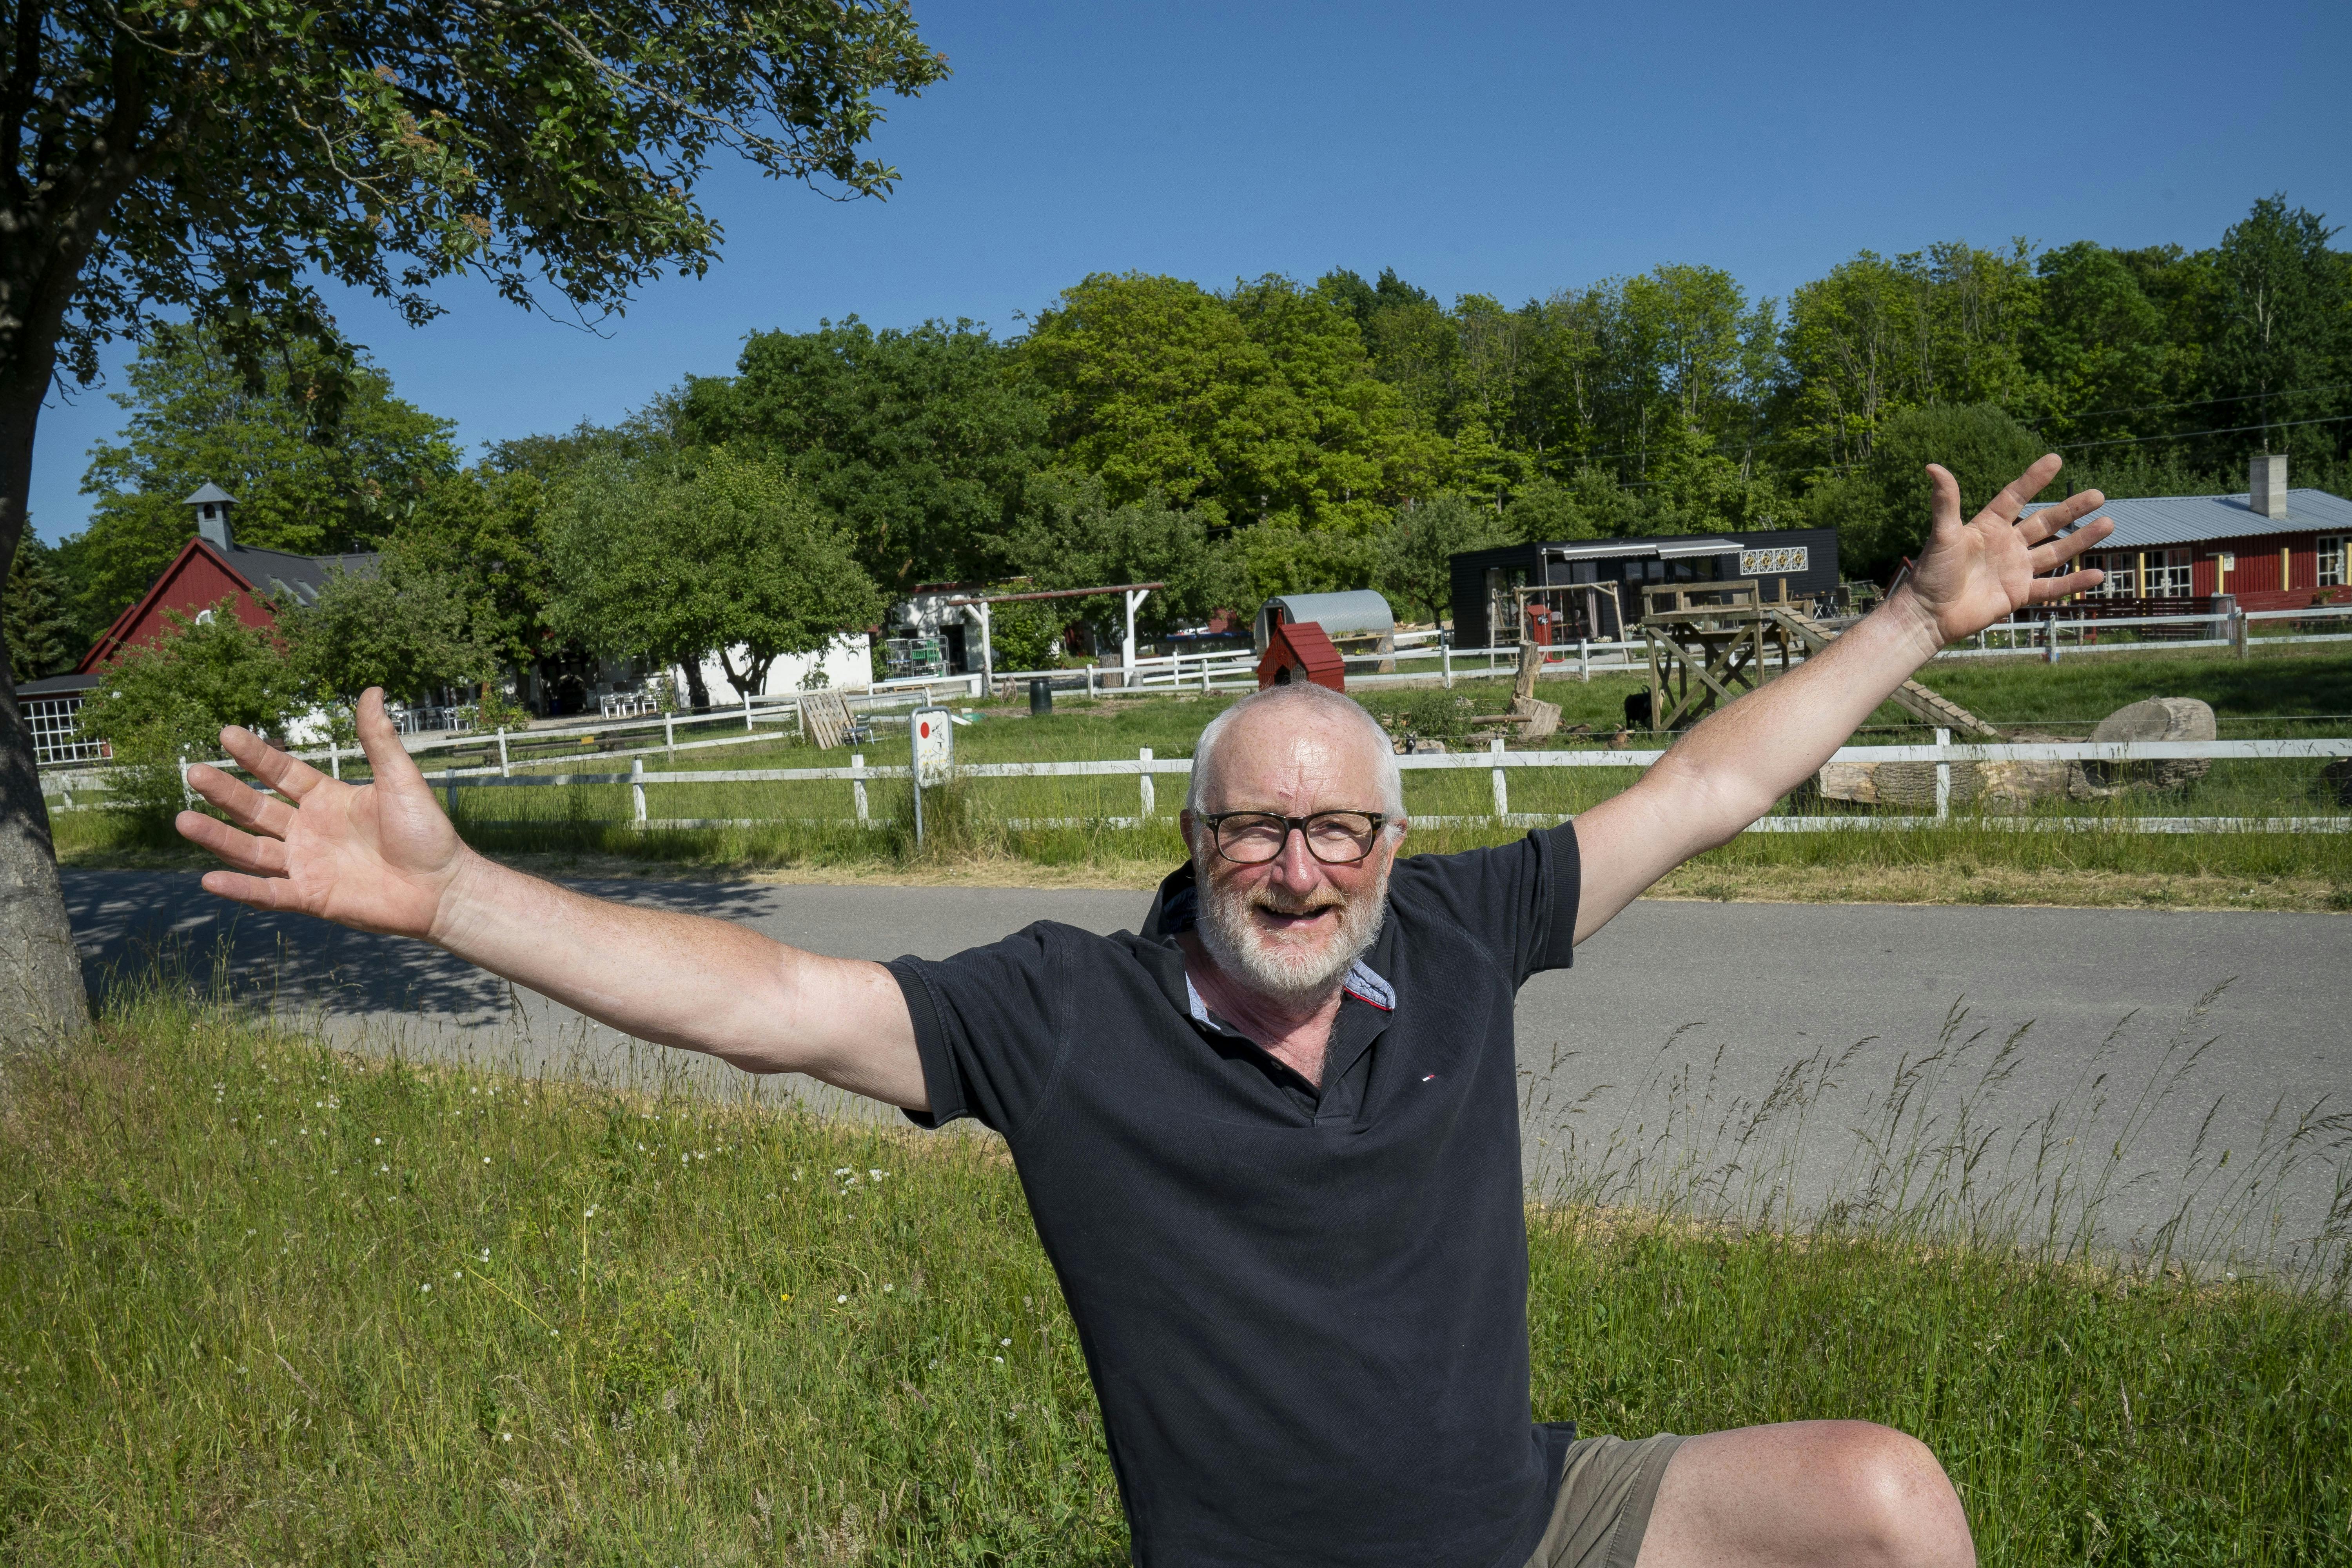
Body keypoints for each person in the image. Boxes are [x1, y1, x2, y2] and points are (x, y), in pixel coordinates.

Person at [177, 459, 2112, 1568]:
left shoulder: (1458, 932)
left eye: (1337, 825)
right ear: (1193, 838)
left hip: (1533, 1524)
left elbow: (1702, 783)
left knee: (1883, 1495)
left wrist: (1918, 621)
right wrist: (455, 897)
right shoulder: (1063, 1015)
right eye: (1257, 825)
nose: (1299, 863)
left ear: (1387, 838)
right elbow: (767, 997)